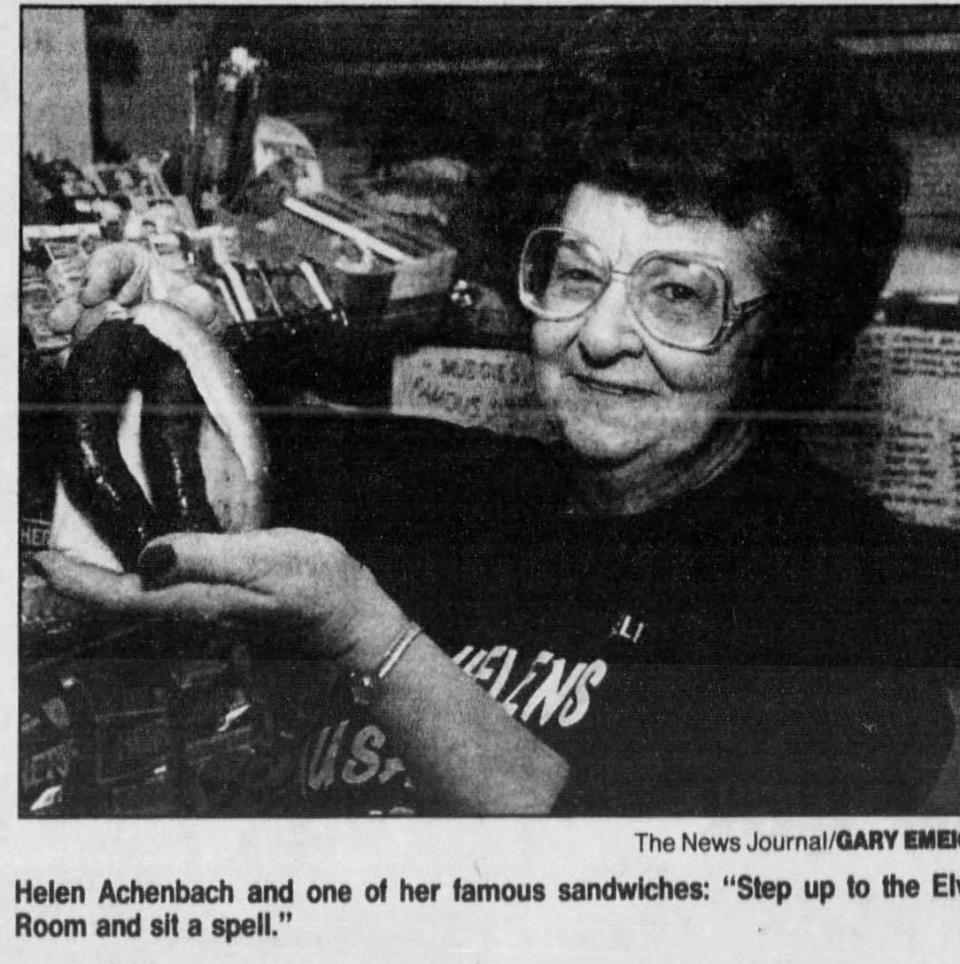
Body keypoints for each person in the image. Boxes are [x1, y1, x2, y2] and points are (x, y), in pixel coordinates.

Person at [34, 32, 959, 816]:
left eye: (678, 294)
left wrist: (366, 635)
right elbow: (208, 432)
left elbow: (657, 901)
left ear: (786, 332)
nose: (596, 335)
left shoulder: (859, 592)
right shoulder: (457, 489)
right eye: (575, 271)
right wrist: (168, 319)